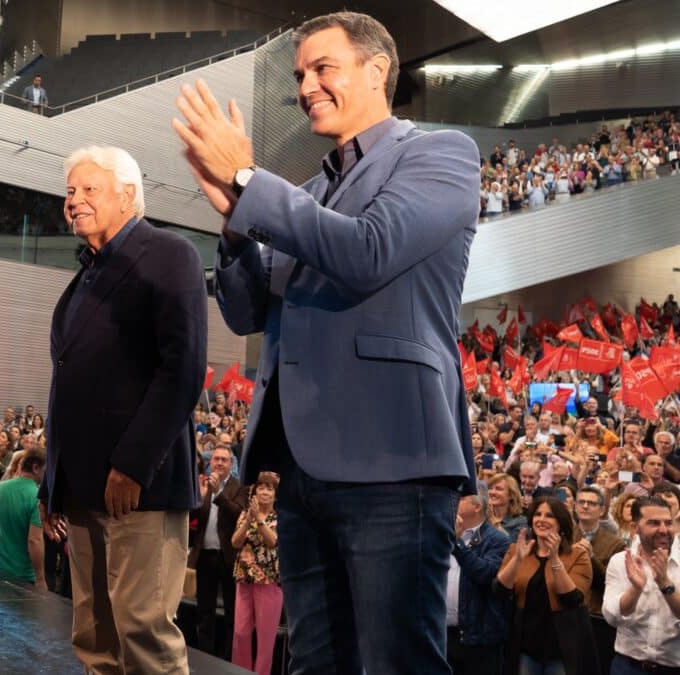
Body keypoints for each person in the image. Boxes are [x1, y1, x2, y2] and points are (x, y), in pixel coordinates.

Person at [176, 12, 479, 671]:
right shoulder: (306, 194)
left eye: (322, 68)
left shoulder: (442, 154)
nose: (306, 86)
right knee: (316, 661)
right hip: (301, 471)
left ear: (377, 71)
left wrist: (251, 184)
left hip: (394, 463)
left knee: (398, 661)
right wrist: (233, 227)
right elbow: (248, 310)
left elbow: (370, 252)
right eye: (299, 75)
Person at [40, 145, 206, 674]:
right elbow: (66, 384)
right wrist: (53, 483)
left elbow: (182, 367)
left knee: (143, 636)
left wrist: (134, 463)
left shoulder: (168, 253)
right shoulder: (84, 277)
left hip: (141, 489)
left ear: (128, 196)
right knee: (95, 637)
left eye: (89, 189)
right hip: (84, 491)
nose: (74, 201)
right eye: (70, 191)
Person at [495, 497, 598, 675]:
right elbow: (500, 589)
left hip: (562, 645)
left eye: (549, 515)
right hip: (525, 644)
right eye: (537, 514)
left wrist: (554, 559)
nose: (541, 519)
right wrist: (518, 559)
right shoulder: (517, 550)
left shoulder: (577, 555)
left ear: (561, 523)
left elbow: (573, 598)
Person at [602, 496, 680, 674]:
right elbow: (611, 617)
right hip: (628, 666)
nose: (663, 530)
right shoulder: (620, 562)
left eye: (668, 523)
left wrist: (665, 584)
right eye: (653, 523)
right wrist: (635, 589)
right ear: (634, 528)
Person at [447, 481, 510, 675]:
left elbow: (485, 574)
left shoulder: (497, 539)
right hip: (445, 635)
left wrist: (458, 544)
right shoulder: (443, 535)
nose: (453, 501)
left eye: (461, 498)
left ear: (477, 506)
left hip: (480, 640)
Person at [188, 444, 245, 658]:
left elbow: (237, 513)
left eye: (224, 459)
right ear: (210, 462)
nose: (220, 463)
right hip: (204, 557)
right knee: (204, 612)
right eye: (216, 459)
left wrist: (218, 492)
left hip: (228, 559)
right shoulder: (202, 484)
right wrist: (201, 496)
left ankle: (227, 658)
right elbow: (192, 516)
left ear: (231, 464)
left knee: (231, 614)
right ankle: (205, 657)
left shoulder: (239, 486)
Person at [229, 472, 282, 675]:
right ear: (254, 492)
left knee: (265, 640)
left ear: (276, 495)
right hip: (244, 577)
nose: (264, 492)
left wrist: (259, 519)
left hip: (269, 582)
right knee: (241, 633)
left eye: (269, 488)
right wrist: (248, 519)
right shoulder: (245, 514)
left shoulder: (279, 517)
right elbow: (235, 542)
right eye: (261, 487)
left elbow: (272, 542)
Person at [0, 448, 47, 589]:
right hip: (23, 575)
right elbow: (34, 540)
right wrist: (40, 578)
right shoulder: (38, 497)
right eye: (46, 469)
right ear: (35, 468)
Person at [576, 486, 627, 675]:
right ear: (575, 506)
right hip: (566, 614)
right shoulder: (563, 536)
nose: (586, 506)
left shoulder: (615, 543)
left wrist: (591, 557)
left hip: (596, 617)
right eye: (581, 502)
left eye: (591, 503)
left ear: (602, 509)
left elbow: (609, 582)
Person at [489, 472, 529, 540]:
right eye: (490, 488)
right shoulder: (482, 518)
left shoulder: (520, 522)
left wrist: (495, 524)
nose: (492, 492)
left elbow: (511, 546)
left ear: (511, 495)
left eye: (498, 489)